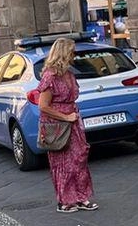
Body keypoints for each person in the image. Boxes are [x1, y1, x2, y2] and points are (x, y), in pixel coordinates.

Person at [37, 38, 98, 214]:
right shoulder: (50, 76)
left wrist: (73, 117)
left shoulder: (69, 74)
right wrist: (65, 116)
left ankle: (81, 197)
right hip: (57, 125)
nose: (74, 55)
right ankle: (65, 200)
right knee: (62, 162)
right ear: (63, 53)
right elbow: (43, 106)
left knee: (79, 158)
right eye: (72, 52)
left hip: (73, 121)